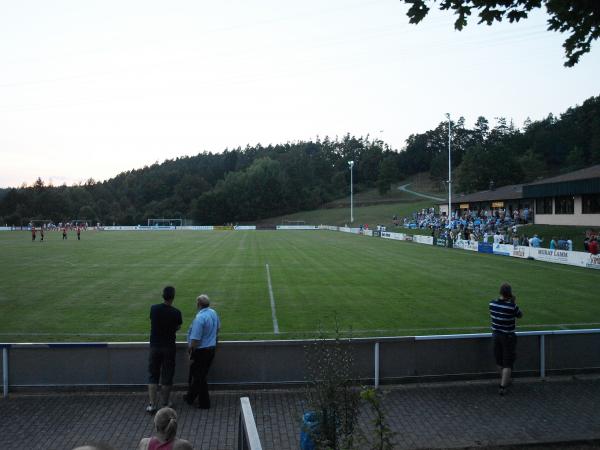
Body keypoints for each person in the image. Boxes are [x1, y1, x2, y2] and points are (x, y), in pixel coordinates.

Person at [147, 286, 183, 414]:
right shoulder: (176, 312)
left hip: (155, 346)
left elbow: (153, 321)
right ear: (173, 297)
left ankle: (152, 404)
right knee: (167, 376)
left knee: (153, 375)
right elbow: (178, 326)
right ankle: (165, 403)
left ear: (163, 295)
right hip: (169, 347)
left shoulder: (154, 309)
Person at [184, 294, 220, 409]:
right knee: (200, 376)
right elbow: (218, 328)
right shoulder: (213, 312)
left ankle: (204, 403)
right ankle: (190, 397)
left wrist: (190, 352)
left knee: (199, 377)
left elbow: (195, 339)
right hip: (211, 349)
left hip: (201, 351)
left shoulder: (199, 318)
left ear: (198, 304)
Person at [489, 283, 523, 396]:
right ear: (509, 293)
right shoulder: (511, 306)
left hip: (495, 335)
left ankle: (504, 380)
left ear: (500, 292)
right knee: (507, 363)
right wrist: (513, 302)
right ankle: (503, 386)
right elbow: (519, 315)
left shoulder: (492, 304)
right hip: (508, 337)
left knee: (499, 361)